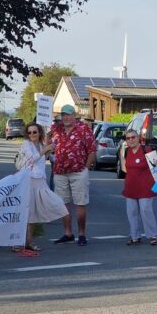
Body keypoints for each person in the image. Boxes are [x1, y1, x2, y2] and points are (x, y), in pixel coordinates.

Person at [15, 123, 69, 255]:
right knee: (29, 212)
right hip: (30, 181)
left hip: (40, 181)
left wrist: (50, 149)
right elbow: (31, 160)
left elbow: (44, 159)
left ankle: (28, 242)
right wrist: (45, 150)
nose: (32, 135)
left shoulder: (40, 145)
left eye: (35, 132)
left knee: (54, 205)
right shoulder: (26, 145)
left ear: (39, 133)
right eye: (30, 132)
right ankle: (24, 242)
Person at [50, 104, 96, 246]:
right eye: (63, 115)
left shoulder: (84, 129)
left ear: (75, 115)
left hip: (78, 172)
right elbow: (48, 145)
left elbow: (92, 150)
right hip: (60, 172)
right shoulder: (56, 130)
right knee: (63, 204)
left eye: (69, 114)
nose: (66, 117)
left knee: (80, 203)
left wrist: (85, 169)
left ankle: (82, 234)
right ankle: (68, 233)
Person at [121, 129, 157, 245]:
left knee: (146, 210)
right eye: (128, 138)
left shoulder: (146, 150)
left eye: (133, 137)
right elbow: (124, 168)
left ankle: (152, 235)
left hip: (145, 187)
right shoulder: (126, 151)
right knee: (131, 213)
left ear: (138, 138)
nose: (131, 140)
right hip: (131, 187)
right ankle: (135, 236)